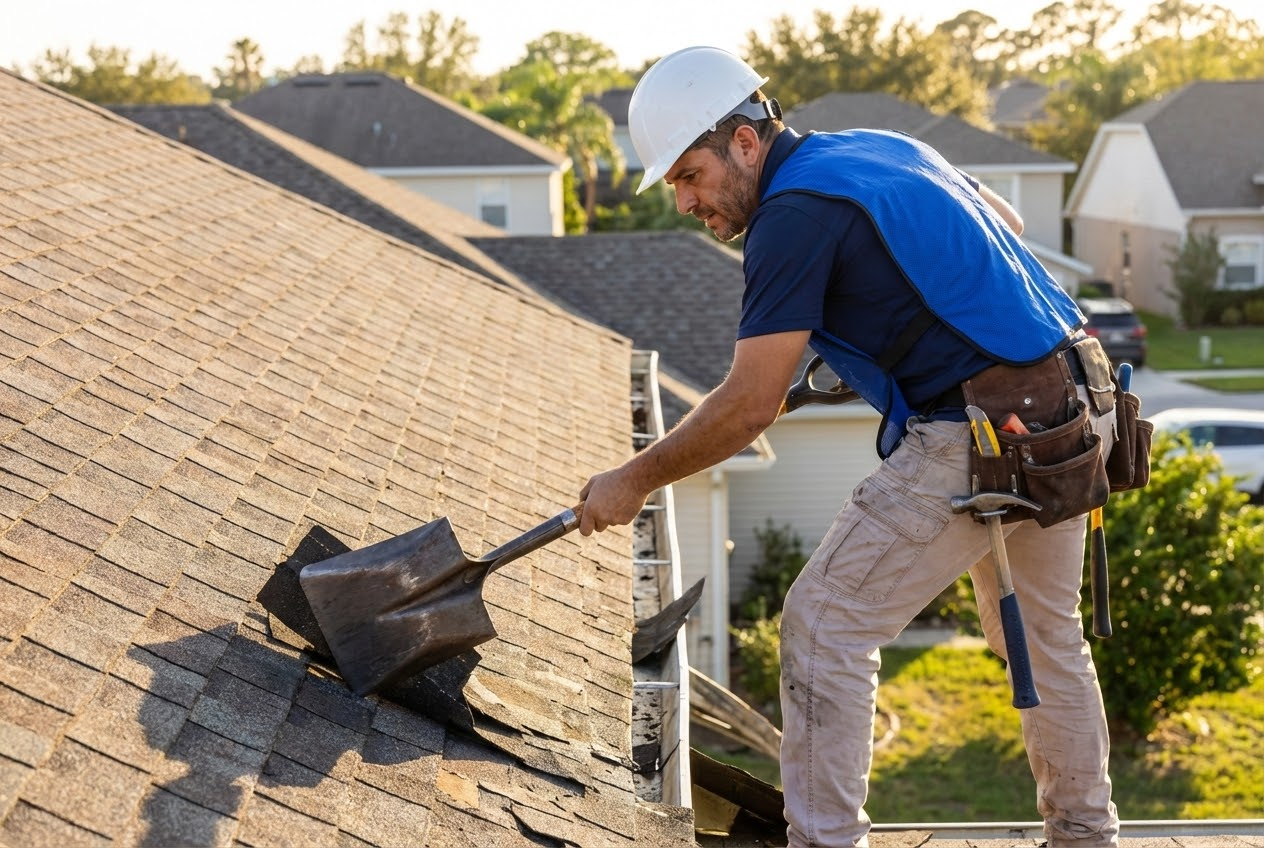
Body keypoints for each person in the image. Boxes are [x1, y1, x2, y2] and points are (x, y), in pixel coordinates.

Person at [577, 45, 1121, 847]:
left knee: (825, 624)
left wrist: (632, 479)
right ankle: (1086, 836)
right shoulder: (876, 147)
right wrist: (882, 319)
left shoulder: (791, 217)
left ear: (746, 142)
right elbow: (1001, 222)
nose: (686, 201)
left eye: (689, 175)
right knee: (1045, 637)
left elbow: (748, 404)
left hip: (987, 427)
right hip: (1078, 399)